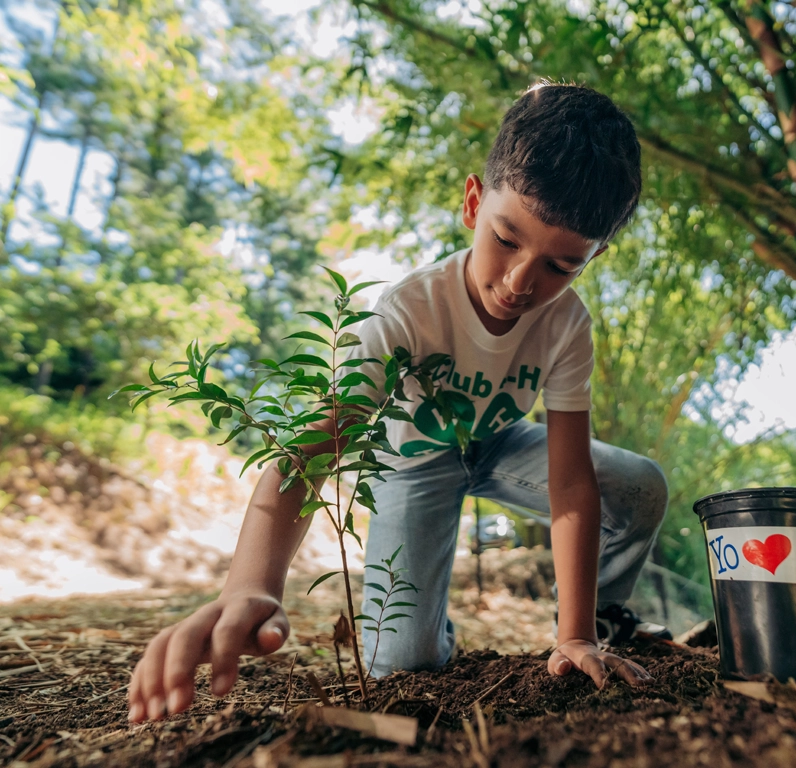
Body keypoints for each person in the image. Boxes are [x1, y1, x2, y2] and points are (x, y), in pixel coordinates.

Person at [127, 83, 671, 724]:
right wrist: (251, 587)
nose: (521, 282)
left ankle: (597, 629)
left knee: (636, 486)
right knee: (404, 669)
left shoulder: (568, 327)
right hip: (411, 458)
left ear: (592, 258)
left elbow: (571, 478)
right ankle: (434, 640)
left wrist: (573, 632)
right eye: (506, 239)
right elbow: (311, 454)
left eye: (560, 266)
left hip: (498, 445)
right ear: (474, 203)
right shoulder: (408, 313)